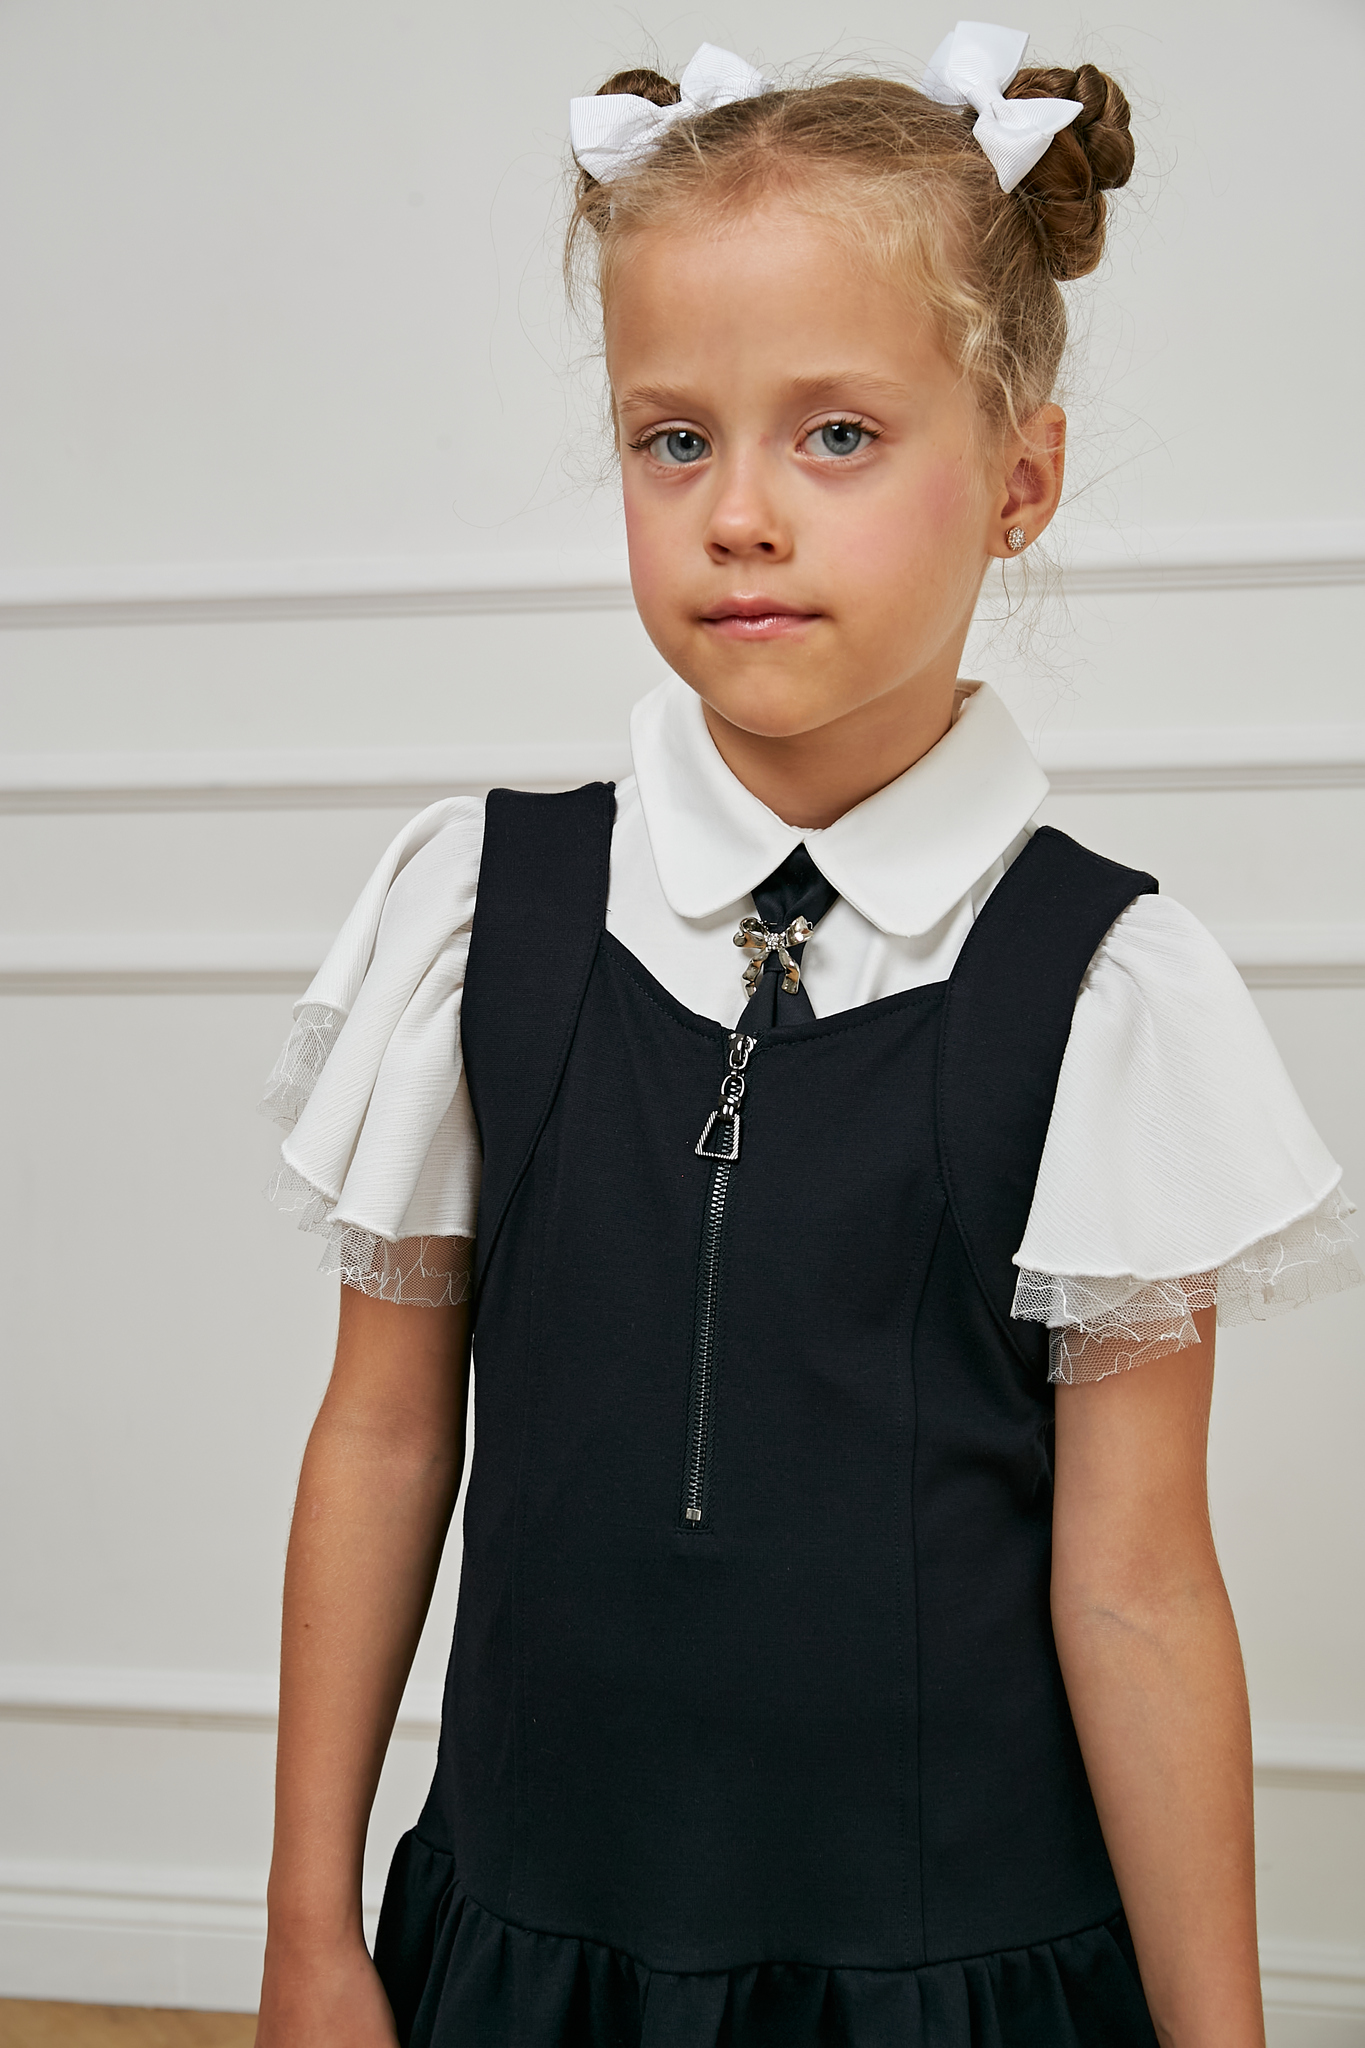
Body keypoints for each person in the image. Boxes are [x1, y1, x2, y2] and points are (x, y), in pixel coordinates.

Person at [253, 25, 1360, 2048]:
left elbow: (1135, 1585)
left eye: (834, 434)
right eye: (671, 438)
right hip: (530, 1956)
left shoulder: (1104, 991)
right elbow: (383, 1433)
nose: (738, 513)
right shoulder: (480, 914)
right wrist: (306, 1931)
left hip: (949, 1986)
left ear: (1016, 479)